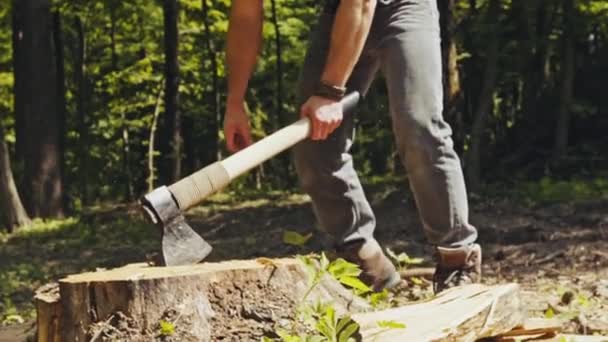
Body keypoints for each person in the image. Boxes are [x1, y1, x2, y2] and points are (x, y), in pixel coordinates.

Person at [223, 0, 481, 293]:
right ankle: (366, 264)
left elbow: (360, 3)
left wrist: (330, 91)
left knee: (417, 125)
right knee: (314, 143)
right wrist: (235, 101)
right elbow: (245, 14)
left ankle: (457, 258)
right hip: (338, 11)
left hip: (405, 6)